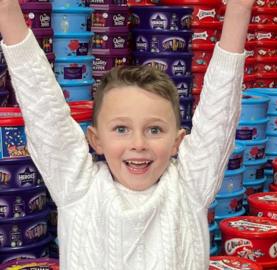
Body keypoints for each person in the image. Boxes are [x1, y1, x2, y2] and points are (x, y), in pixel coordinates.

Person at [0, 0, 253, 268]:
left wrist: (239, 11)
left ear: (177, 142)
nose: (138, 143)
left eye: (154, 129)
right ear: (96, 140)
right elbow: (43, 107)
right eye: (121, 129)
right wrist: (7, 12)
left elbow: (219, 113)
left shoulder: (189, 186)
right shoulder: (77, 187)